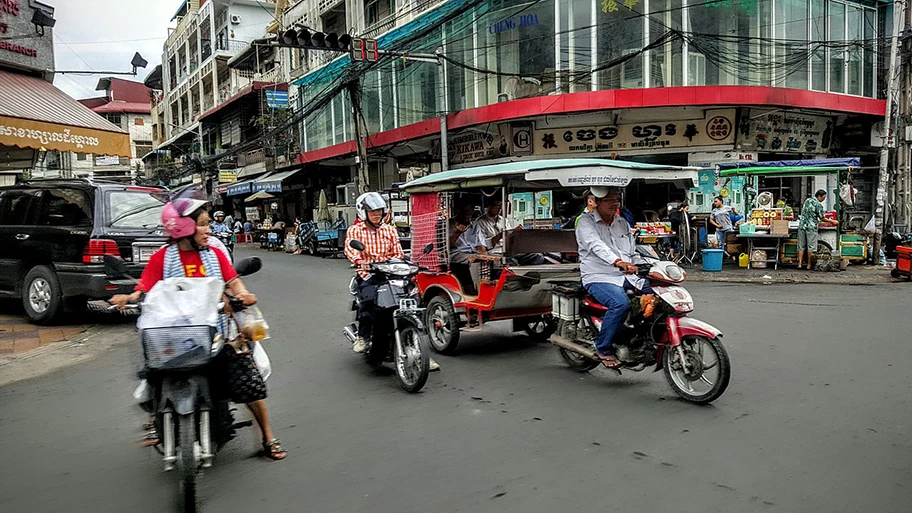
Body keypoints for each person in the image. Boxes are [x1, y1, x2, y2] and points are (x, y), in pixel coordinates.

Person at [110, 190, 287, 461]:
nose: (208, 229)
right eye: (203, 224)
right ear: (185, 227)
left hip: (214, 333)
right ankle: (154, 418)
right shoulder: (162, 257)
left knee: (246, 376)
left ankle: (267, 436)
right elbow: (144, 286)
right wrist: (130, 297)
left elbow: (233, 281)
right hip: (172, 336)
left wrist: (243, 294)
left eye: (206, 223)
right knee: (150, 371)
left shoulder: (215, 254)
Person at [344, 192, 440, 370]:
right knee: (369, 301)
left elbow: (398, 253)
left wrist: (402, 263)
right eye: (372, 212)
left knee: (411, 297)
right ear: (363, 212)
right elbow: (351, 250)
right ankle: (363, 336)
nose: (376, 215)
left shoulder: (389, 229)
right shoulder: (355, 230)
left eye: (379, 211)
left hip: (391, 272)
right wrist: (360, 262)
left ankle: (421, 351)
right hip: (370, 274)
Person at [576, 187, 652, 369]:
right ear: (596, 202)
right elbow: (596, 246)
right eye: (609, 199)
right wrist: (617, 261)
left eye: (616, 198)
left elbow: (632, 252)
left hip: (627, 275)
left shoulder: (622, 223)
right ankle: (603, 347)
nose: (615, 203)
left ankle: (641, 338)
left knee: (659, 295)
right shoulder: (586, 223)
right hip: (598, 276)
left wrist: (650, 266)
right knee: (620, 303)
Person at [448, 200, 488, 295]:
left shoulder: (474, 226)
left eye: (470, 212)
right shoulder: (448, 224)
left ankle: (486, 287)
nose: (468, 214)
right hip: (456, 254)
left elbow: (480, 245)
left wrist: (484, 255)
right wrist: (457, 233)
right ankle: (471, 290)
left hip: (472, 252)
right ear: (458, 211)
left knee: (493, 259)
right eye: (465, 212)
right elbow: (447, 245)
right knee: (471, 261)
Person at [797, 189, 838, 270]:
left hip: (802, 226)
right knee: (811, 247)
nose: (824, 199)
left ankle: (800, 264)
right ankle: (809, 265)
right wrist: (832, 221)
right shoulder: (818, 204)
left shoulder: (807, 200)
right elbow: (822, 218)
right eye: (824, 197)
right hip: (811, 227)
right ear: (819, 196)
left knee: (801, 246)